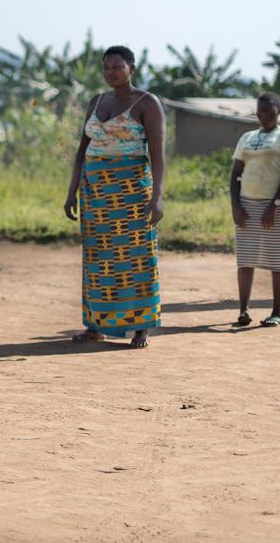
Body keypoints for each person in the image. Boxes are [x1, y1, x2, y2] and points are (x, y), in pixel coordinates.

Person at [64, 46, 165, 349]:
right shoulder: (97, 101)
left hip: (131, 191)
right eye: (106, 68)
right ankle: (96, 326)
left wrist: (157, 196)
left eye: (117, 67)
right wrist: (72, 192)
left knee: (136, 258)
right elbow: (82, 151)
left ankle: (141, 327)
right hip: (95, 192)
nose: (111, 73)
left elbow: (157, 154)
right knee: (98, 259)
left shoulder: (147, 103)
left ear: (131, 68)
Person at [229, 93, 280, 327]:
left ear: (279, 112)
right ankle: (243, 310)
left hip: (275, 207)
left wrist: (275, 204)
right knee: (246, 260)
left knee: (278, 261)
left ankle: (277, 312)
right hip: (247, 205)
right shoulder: (247, 137)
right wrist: (236, 205)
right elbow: (235, 173)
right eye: (260, 113)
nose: (264, 117)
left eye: (269, 113)